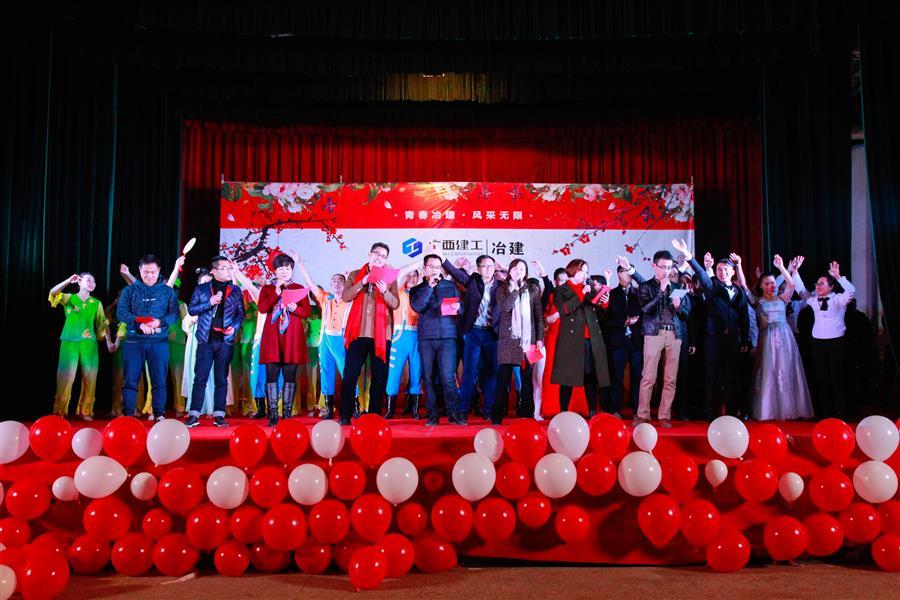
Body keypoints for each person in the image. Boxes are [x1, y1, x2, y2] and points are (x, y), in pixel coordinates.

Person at [736, 254, 814, 420]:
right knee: (769, 372)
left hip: (785, 339)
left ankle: (787, 409)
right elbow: (743, 285)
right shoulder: (758, 301)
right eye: (767, 283)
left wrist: (781, 267)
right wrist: (739, 265)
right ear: (761, 286)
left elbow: (791, 285)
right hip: (766, 339)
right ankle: (768, 409)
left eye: (772, 283)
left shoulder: (782, 298)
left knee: (785, 370)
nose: (771, 286)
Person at [677, 240, 748, 421]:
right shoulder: (711, 286)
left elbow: (744, 316)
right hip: (713, 339)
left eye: (726, 269)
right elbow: (701, 273)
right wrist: (689, 256)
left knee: (732, 376)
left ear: (732, 272)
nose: (722, 272)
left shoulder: (739, 291)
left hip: (733, 340)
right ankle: (710, 413)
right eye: (719, 269)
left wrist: (745, 338)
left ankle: (732, 413)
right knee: (711, 376)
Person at [340, 242, 400, 424]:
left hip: (381, 335)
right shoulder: (355, 275)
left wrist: (384, 291)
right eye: (377, 254)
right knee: (350, 375)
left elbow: (395, 304)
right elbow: (345, 296)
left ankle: (374, 416)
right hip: (357, 333)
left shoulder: (390, 278)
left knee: (379, 376)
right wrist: (362, 282)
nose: (379, 258)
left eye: (383, 256)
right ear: (369, 254)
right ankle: (345, 415)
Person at [117, 255, 179, 420]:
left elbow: (174, 314)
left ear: (159, 271)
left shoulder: (168, 291)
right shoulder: (129, 291)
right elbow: (121, 313)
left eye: (153, 272)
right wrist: (139, 324)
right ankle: (128, 415)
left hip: (159, 342)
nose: (149, 276)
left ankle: (159, 414)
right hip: (134, 342)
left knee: (159, 381)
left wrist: (160, 322)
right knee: (130, 380)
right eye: (146, 272)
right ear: (139, 270)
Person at [184, 257, 245, 427]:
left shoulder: (235, 290)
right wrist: (209, 302)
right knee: (200, 378)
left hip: (225, 340)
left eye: (229, 268)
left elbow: (241, 314)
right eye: (224, 268)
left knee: (221, 379)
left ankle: (219, 415)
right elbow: (192, 309)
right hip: (206, 339)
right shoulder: (202, 289)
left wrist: (234, 327)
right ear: (214, 271)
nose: (228, 271)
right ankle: (194, 414)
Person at [441, 249, 500, 419]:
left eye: (492, 266)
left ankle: (488, 411)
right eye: (485, 266)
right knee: (469, 372)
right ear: (478, 268)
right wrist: (442, 257)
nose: (489, 269)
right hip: (474, 332)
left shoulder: (501, 286)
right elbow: (455, 273)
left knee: (491, 373)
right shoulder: (473, 281)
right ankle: (463, 411)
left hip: (492, 334)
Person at [793, 258, 856, 418]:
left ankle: (841, 414)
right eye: (817, 284)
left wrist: (838, 276)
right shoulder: (814, 300)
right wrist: (795, 271)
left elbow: (851, 291)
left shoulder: (838, 299)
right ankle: (825, 414)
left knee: (837, 379)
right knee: (822, 379)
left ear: (831, 286)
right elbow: (801, 290)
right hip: (818, 344)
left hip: (836, 343)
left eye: (821, 284)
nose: (817, 286)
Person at [636, 248, 691, 427]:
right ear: (654, 266)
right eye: (663, 267)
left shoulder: (677, 288)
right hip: (654, 333)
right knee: (648, 377)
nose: (666, 271)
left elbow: (685, 315)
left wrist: (678, 307)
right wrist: (660, 291)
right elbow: (646, 309)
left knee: (670, 379)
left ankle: (664, 415)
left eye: (669, 267)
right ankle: (643, 414)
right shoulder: (646, 286)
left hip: (675, 334)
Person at [258, 252, 312, 426]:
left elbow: (306, 312)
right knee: (271, 375)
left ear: (292, 270)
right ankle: (273, 413)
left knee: (290, 375)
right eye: (281, 268)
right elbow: (262, 308)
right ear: (275, 271)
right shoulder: (268, 289)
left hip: (292, 337)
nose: (284, 271)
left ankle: (287, 413)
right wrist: (275, 292)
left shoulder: (298, 288)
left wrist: (296, 308)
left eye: (287, 268)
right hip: (272, 336)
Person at [551, 259, 610, 417]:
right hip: (571, 341)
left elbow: (598, 311)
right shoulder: (561, 290)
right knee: (567, 377)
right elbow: (564, 310)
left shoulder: (589, 288)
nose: (585, 274)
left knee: (590, 376)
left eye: (586, 271)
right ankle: (563, 412)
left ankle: (592, 412)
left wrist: (604, 303)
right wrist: (581, 293)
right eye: (582, 271)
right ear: (572, 271)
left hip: (590, 338)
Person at [410, 254, 463, 425]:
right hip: (426, 338)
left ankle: (453, 414)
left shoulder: (450, 286)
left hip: (448, 337)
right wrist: (429, 287)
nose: (435, 270)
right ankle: (432, 416)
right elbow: (418, 307)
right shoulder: (417, 289)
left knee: (448, 377)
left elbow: (460, 309)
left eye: (438, 267)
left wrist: (458, 308)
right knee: (428, 377)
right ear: (424, 268)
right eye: (431, 267)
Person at [48, 272, 109, 419]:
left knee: (90, 377)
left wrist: (107, 339)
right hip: (69, 340)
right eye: (88, 280)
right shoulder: (69, 298)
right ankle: (60, 411)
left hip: (89, 343)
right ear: (79, 282)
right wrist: (68, 280)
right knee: (66, 376)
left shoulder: (96, 303)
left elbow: (102, 325)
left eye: (93, 281)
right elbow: (53, 293)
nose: (92, 283)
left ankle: (86, 411)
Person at [492, 259, 544, 424]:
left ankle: (525, 413)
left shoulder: (533, 290)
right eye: (515, 269)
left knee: (527, 377)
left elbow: (538, 316)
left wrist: (539, 339)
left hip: (528, 339)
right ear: (510, 272)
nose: (518, 271)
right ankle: (498, 415)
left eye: (522, 269)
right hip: (508, 339)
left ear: (526, 272)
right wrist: (515, 290)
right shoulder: (502, 289)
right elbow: (505, 308)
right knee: (504, 377)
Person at [606, 256, 646, 418]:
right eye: (624, 271)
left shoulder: (639, 293)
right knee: (617, 377)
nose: (628, 274)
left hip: (636, 341)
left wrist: (637, 321)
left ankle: (637, 410)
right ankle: (616, 409)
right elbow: (606, 319)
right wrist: (624, 321)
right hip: (618, 341)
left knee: (637, 377)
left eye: (629, 271)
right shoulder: (612, 294)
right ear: (618, 274)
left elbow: (646, 314)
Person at [387, 269, 424, 419]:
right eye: (409, 276)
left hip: (417, 336)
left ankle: (414, 409)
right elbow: (401, 275)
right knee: (394, 374)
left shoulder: (422, 293)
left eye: (414, 276)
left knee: (417, 372)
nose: (411, 278)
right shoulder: (399, 291)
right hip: (399, 337)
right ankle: (390, 409)